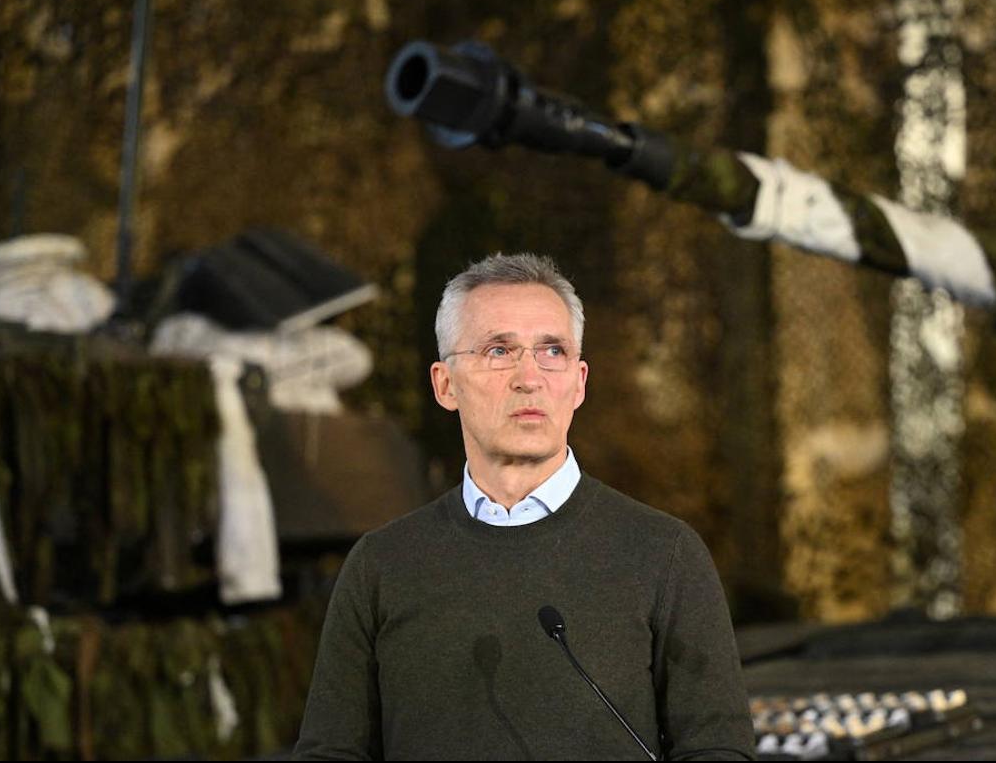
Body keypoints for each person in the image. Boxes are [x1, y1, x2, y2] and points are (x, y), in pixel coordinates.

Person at [292, 253, 754, 760]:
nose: (529, 377)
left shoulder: (665, 553)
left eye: (551, 350)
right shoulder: (380, 566)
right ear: (445, 385)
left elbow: (718, 749)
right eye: (499, 350)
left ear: (578, 382)